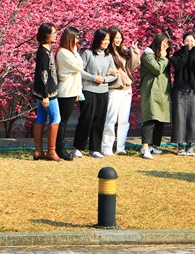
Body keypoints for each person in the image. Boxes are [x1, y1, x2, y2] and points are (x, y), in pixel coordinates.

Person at [75, 29, 117, 158]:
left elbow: (115, 74)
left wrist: (104, 79)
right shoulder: (88, 53)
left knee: (100, 119)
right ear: (98, 39)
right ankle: (78, 147)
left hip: (103, 91)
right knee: (86, 119)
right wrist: (94, 78)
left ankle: (95, 148)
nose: (106, 42)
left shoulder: (108, 56)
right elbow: (80, 70)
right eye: (104, 40)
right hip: (89, 90)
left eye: (108, 40)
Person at [102, 27, 140, 156]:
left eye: (120, 37)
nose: (118, 40)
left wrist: (135, 52)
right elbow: (103, 68)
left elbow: (132, 66)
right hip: (114, 88)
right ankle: (107, 146)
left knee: (124, 119)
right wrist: (110, 72)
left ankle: (121, 146)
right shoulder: (107, 53)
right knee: (111, 118)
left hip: (126, 88)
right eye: (116, 37)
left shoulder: (124, 51)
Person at [31, 23, 62, 162]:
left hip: (44, 91)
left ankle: (38, 150)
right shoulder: (43, 53)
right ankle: (51, 151)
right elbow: (43, 75)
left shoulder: (47, 50)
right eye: (53, 33)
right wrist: (45, 95)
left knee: (41, 117)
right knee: (56, 118)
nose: (55, 35)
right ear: (46, 35)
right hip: (47, 93)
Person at [170, 32, 195, 156]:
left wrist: (193, 52)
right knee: (179, 117)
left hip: (193, 90)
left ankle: (190, 145)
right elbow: (178, 65)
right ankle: (180, 146)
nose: (189, 43)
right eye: (187, 40)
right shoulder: (178, 54)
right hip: (179, 90)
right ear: (183, 42)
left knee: (192, 117)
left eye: (192, 41)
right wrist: (184, 52)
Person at [138, 32, 171, 160]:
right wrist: (163, 57)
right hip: (151, 91)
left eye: (166, 44)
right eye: (163, 43)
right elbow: (157, 69)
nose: (165, 46)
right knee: (150, 118)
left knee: (159, 119)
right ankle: (145, 147)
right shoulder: (148, 55)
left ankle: (152, 145)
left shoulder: (163, 55)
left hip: (162, 91)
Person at [54, 27, 83, 160]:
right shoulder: (63, 53)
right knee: (63, 121)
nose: (78, 40)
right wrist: (76, 52)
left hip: (72, 90)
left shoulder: (70, 52)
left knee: (63, 121)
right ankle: (60, 148)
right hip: (65, 91)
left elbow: (77, 72)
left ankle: (59, 147)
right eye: (76, 37)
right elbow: (79, 66)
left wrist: (78, 91)